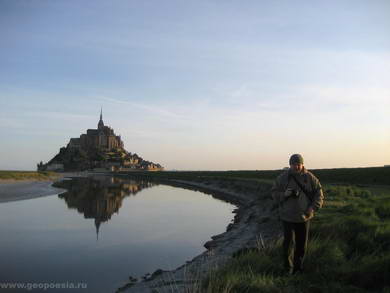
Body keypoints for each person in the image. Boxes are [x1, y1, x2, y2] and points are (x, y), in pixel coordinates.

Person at [271, 154, 324, 274]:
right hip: (287, 217)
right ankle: (287, 268)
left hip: (304, 217)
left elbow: (319, 194)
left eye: (298, 164)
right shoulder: (283, 177)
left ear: (303, 164)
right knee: (288, 244)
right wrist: (284, 194)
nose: (296, 166)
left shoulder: (310, 177)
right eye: (294, 164)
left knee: (301, 245)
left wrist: (312, 208)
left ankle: (298, 269)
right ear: (290, 165)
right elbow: (274, 192)